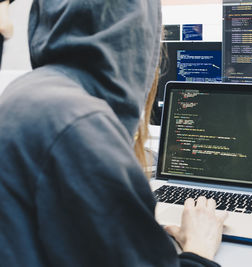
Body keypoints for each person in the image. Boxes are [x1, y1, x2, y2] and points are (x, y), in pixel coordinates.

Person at [0, 0, 226, 266]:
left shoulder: (28, 91)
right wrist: (199, 247)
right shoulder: (80, 123)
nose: (8, 26)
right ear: (139, 35)